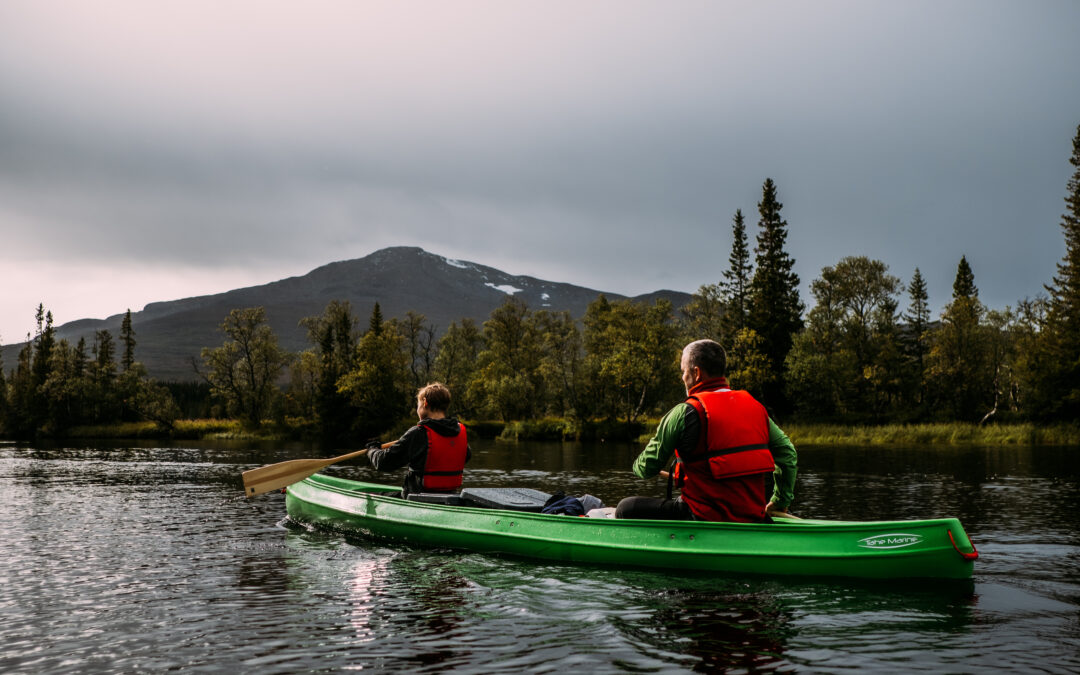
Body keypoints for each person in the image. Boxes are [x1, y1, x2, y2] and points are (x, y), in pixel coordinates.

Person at [615, 339, 797, 522]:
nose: (682, 378)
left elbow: (646, 468)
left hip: (701, 517)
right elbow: (787, 454)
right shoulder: (756, 408)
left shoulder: (684, 412)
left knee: (625, 507)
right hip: (752, 516)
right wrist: (780, 501)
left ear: (696, 373)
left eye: (683, 371)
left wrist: (637, 465)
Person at [366, 382, 471, 499]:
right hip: (450, 497)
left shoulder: (419, 433)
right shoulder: (459, 431)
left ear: (425, 403)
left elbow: (384, 462)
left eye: (418, 405)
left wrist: (372, 450)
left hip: (417, 497)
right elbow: (466, 455)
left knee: (370, 495)